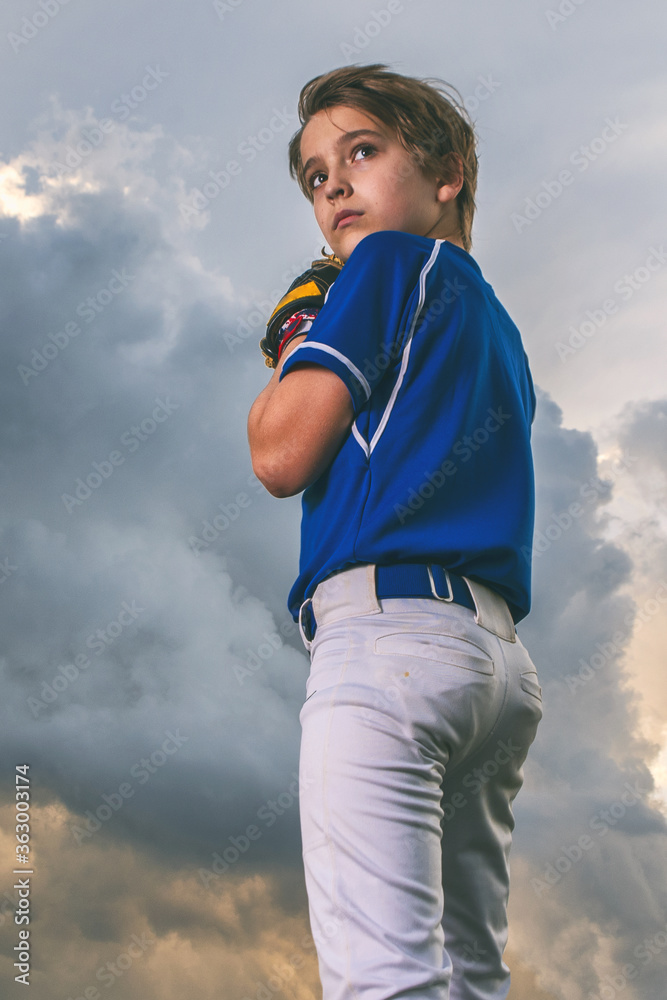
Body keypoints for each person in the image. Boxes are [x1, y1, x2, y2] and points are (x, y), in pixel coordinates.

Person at [247, 62, 543, 1000]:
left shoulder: (378, 265)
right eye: (313, 174)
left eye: (361, 151)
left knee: (386, 984)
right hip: (495, 671)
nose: (333, 183)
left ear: (446, 171)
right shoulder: (496, 323)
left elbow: (278, 454)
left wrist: (300, 324)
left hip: (390, 646)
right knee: (468, 981)